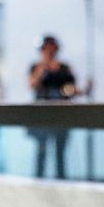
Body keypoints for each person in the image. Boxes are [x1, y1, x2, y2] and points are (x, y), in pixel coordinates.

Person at [28, 35, 78, 179]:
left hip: (60, 113)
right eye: (46, 47)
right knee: (41, 150)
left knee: (60, 151)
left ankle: (61, 179)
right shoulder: (36, 67)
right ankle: (38, 180)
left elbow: (71, 88)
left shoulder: (64, 68)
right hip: (42, 113)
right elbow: (32, 85)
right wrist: (43, 67)